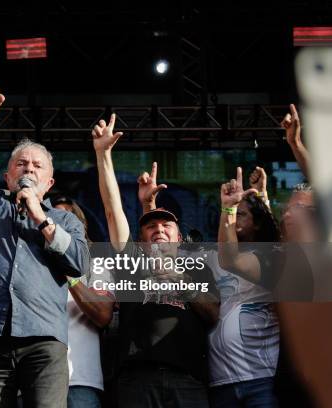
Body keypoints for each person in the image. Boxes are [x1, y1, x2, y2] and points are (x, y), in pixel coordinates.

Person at [0, 88, 90, 408]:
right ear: (8, 175)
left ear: (49, 183)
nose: (29, 169)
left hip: (44, 342)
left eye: (37, 166)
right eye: (21, 164)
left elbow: (79, 263)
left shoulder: (65, 221)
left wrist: (40, 217)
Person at [92, 115, 219, 408]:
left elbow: (212, 313)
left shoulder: (196, 267)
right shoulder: (132, 263)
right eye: (151, 226)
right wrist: (103, 154)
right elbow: (113, 212)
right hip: (136, 381)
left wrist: (178, 280)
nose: (159, 230)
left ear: (178, 238)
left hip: (187, 380)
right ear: (141, 240)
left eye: (166, 226)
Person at [211, 166, 281, 407]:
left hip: (261, 379)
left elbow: (275, 242)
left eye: (241, 214)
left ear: (258, 224)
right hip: (220, 381)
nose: (231, 218)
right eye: (232, 213)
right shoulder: (214, 258)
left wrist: (261, 199)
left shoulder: (271, 258)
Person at [52, 196, 114, 408]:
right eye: (54, 217)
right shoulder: (33, 260)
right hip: (35, 378)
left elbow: (102, 314)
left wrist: (69, 273)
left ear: (81, 226)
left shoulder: (96, 261)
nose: (60, 224)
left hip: (80, 380)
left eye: (67, 218)